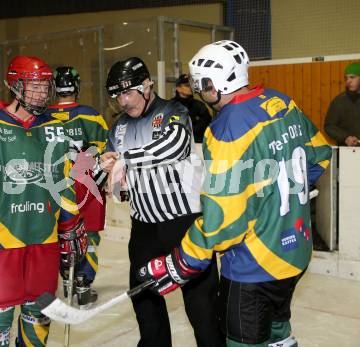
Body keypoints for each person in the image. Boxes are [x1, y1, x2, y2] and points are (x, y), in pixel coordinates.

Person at [137, 41, 332, 347]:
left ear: (211, 85)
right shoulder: (282, 102)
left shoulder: (226, 129)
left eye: (201, 85)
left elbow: (223, 223)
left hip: (254, 266)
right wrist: (274, 196)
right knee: (277, 330)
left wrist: (183, 258)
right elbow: (320, 154)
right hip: (295, 251)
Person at [0, 56, 85, 347]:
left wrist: (70, 224)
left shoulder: (55, 128)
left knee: (38, 315)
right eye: (33, 86)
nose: (40, 93)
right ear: (15, 86)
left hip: (43, 240)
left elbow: (64, 181)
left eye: (45, 87)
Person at [102, 57, 224, 347]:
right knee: (146, 307)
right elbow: (107, 165)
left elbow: (177, 146)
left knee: (203, 310)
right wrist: (96, 166)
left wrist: (125, 159)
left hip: (183, 224)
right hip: (144, 228)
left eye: (128, 92)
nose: (123, 101)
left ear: (147, 86)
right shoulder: (118, 127)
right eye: (117, 95)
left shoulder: (173, 110)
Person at [46, 65, 108, 307]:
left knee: (59, 233)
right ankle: (83, 283)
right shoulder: (91, 115)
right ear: (76, 86)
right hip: (86, 185)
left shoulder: (43, 116)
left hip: (55, 187)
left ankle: (67, 280)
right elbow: (106, 154)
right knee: (88, 235)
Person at [324, 61, 360, 146]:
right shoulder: (339, 101)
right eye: (346, 78)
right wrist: (345, 138)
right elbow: (329, 126)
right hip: (346, 151)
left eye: (352, 77)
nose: (348, 81)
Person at [173, 73, 212, 143]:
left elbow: (207, 122)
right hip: (176, 144)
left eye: (191, 85)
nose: (190, 87)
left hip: (198, 144)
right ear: (178, 88)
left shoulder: (199, 105)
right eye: (187, 85)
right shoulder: (171, 106)